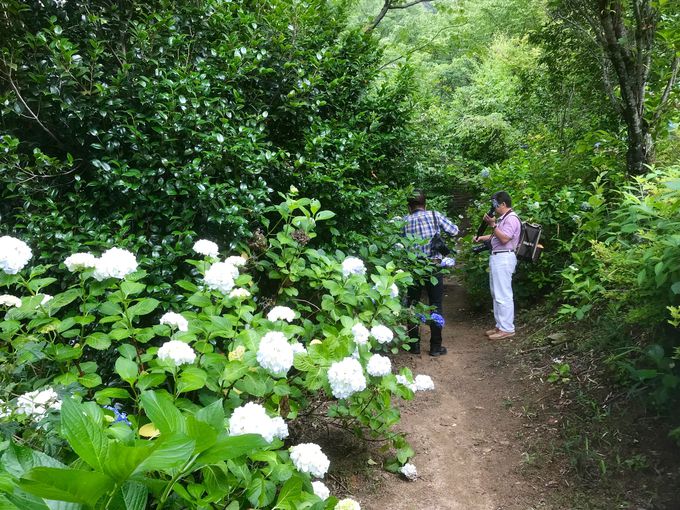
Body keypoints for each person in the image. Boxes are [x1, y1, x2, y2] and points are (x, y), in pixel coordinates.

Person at [402, 190, 459, 356]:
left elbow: (399, 245)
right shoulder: (435, 215)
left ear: (409, 207)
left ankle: (414, 346)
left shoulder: (404, 222)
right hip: (434, 268)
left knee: (412, 305)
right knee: (435, 305)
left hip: (414, 269)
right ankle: (435, 347)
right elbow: (454, 230)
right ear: (425, 204)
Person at [473, 191, 522, 340]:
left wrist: (493, 224)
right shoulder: (504, 218)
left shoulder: (512, 219)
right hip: (498, 257)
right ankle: (500, 326)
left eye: (495, 204)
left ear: (503, 204)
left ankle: (507, 328)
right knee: (496, 294)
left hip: (504, 257)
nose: (493, 208)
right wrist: (480, 238)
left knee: (503, 294)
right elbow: (496, 236)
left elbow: (505, 238)